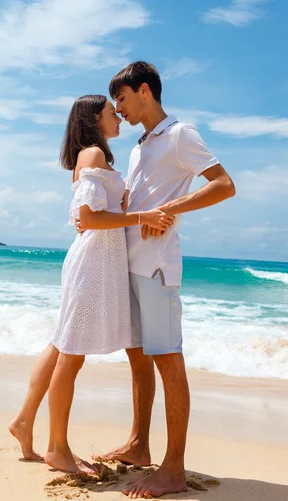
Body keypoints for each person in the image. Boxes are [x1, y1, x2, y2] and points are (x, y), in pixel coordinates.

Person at [88, 61, 236, 499]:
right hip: (128, 262)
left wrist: (172, 211)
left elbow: (224, 185)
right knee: (138, 357)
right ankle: (138, 445)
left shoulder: (180, 135)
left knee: (168, 359)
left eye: (123, 99)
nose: (119, 108)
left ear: (145, 91)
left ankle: (173, 469)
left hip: (157, 267)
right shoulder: (138, 145)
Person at [9, 94, 175, 475]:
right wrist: (140, 216)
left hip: (97, 261)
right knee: (71, 353)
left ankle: (23, 421)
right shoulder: (93, 155)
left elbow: (99, 214)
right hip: (93, 264)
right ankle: (57, 449)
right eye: (110, 112)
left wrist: (130, 206)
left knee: (61, 344)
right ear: (94, 120)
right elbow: (90, 218)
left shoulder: (94, 158)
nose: (117, 116)